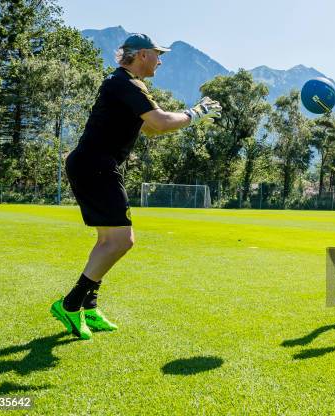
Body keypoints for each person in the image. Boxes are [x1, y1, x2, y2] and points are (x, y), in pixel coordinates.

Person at [50, 33, 222, 339]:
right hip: (96, 166)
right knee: (122, 241)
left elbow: (150, 130)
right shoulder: (127, 84)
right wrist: (195, 113)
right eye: (158, 54)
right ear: (142, 55)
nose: (161, 60)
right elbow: (160, 123)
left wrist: (178, 120)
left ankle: (89, 306)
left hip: (93, 165)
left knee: (107, 241)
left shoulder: (123, 84)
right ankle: (71, 303)